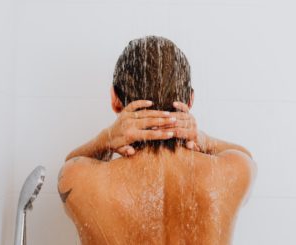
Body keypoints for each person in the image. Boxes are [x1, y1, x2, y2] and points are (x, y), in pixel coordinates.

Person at [57, 36, 257, 245]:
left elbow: (69, 166)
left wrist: (105, 139)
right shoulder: (232, 172)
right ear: (190, 100)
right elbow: (247, 159)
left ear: (115, 100)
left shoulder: (81, 179)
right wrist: (204, 140)